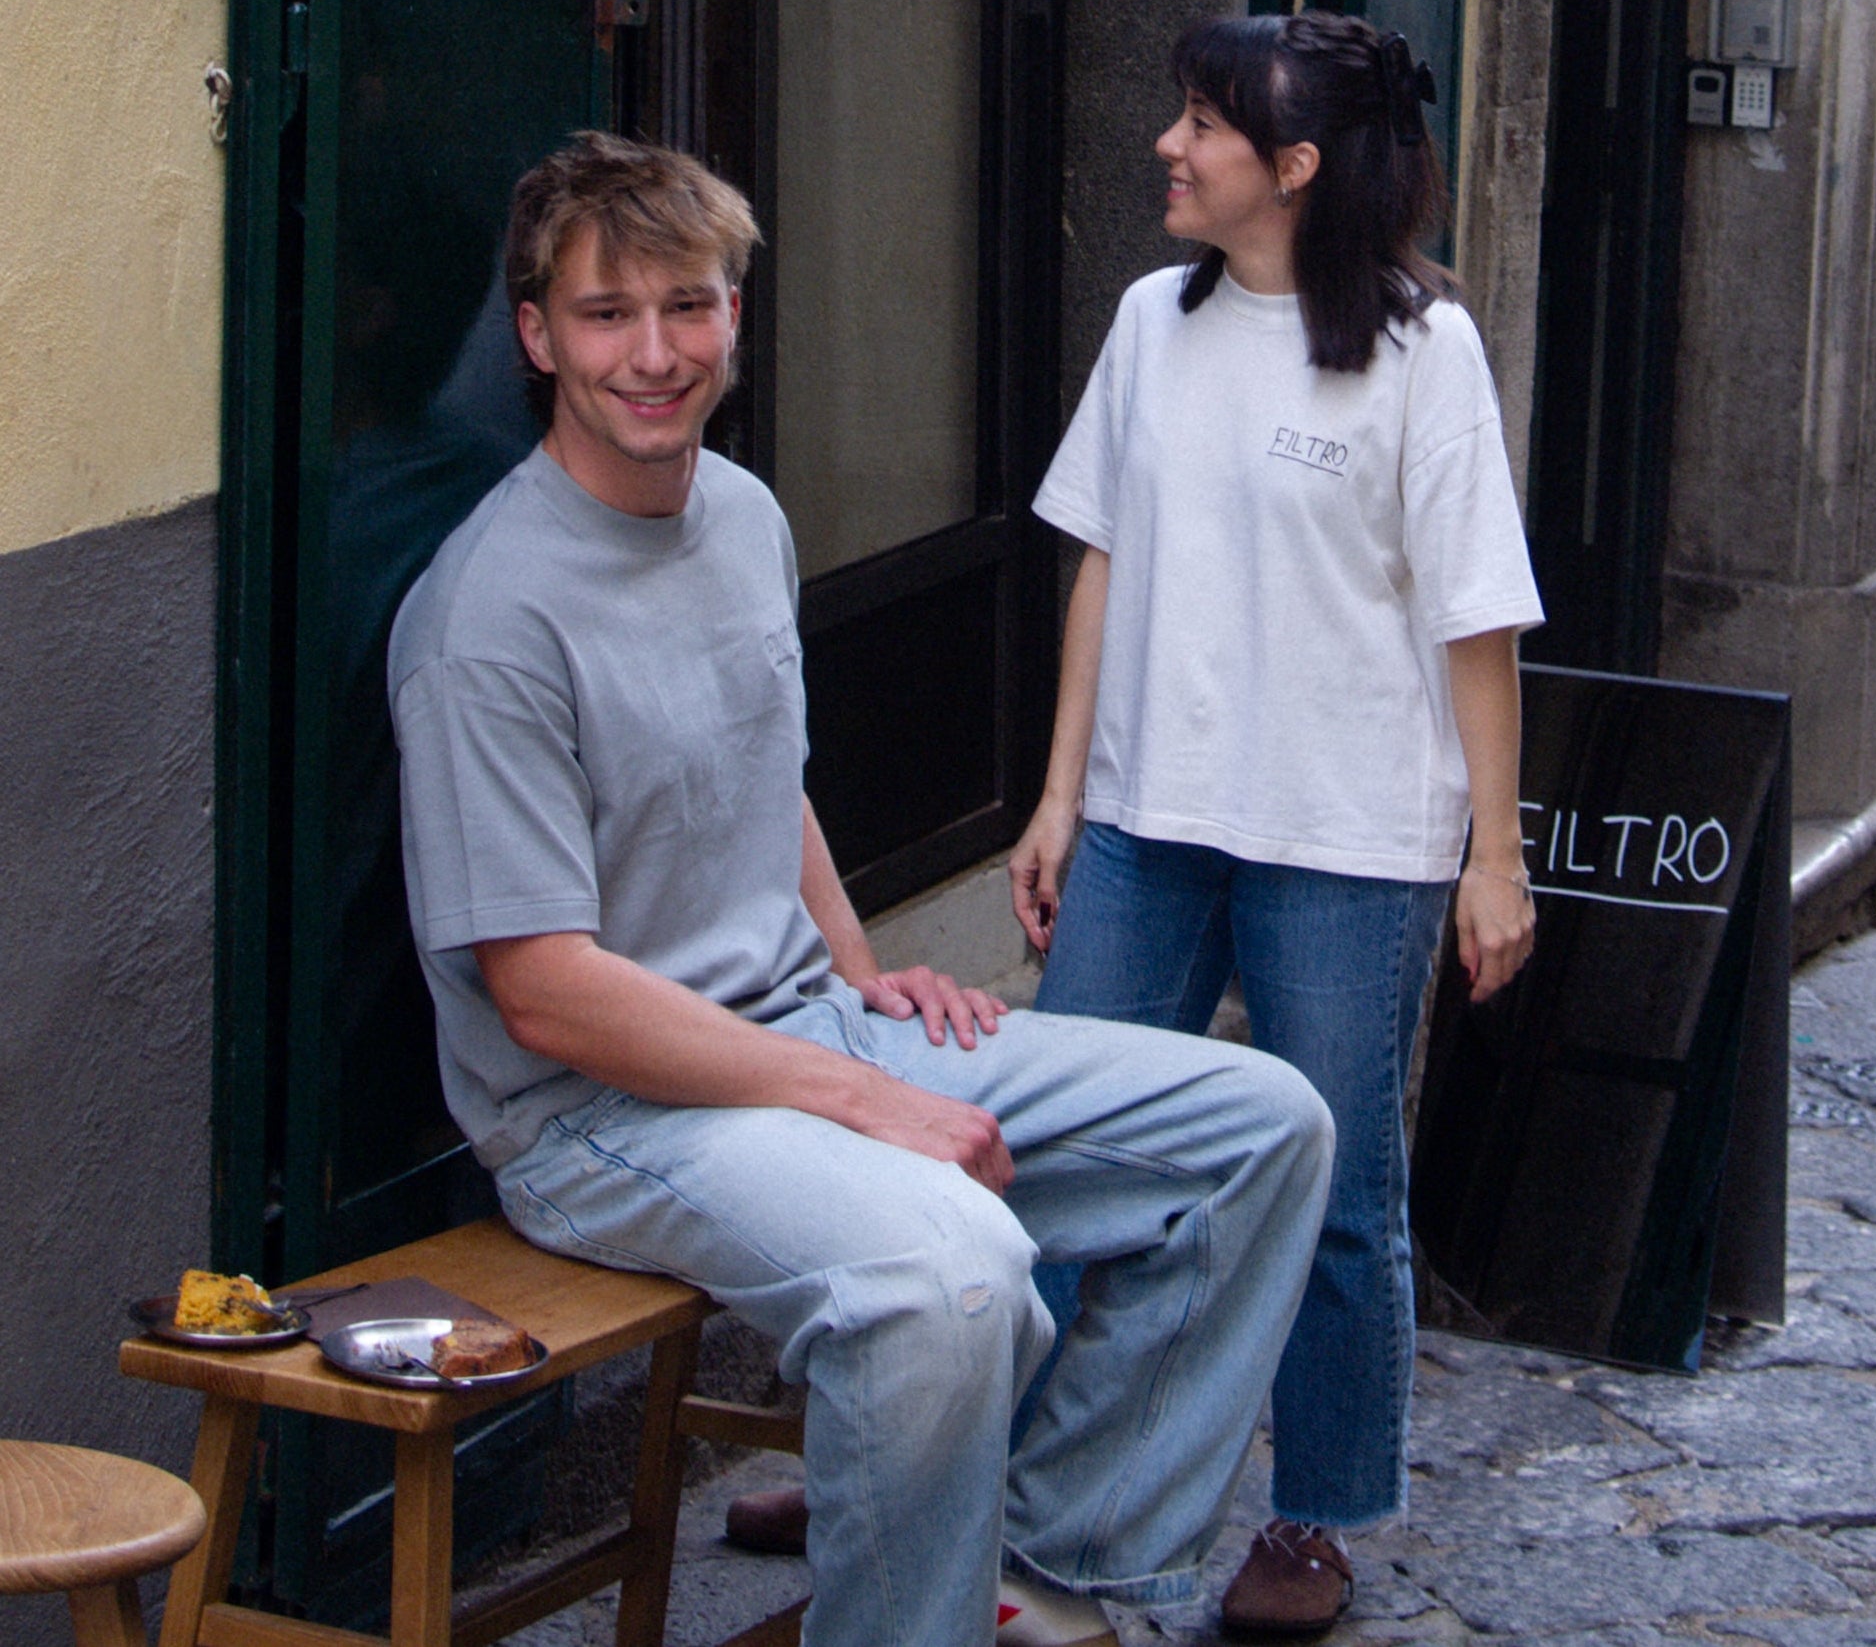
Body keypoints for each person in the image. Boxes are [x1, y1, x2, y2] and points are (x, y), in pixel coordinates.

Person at [387, 131, 1334, 1647]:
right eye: (608, 314)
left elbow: (767, 770)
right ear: (537, 334)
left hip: (807, 1029)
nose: (655, 353)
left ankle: (1044, 1574)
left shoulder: (743, 516)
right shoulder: (488, 619)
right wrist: (858, 1098)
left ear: (735, 315)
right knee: (948, 1278)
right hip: (599, 1115)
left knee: (1260, 1127)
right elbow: (545, 990)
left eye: (688, 306)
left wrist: (855, 961)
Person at [1007, 14, 1544, 1642]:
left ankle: (1314, 1509)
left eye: (1203, 123)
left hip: (1350, 836)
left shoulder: (1418, 351)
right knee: (1035, 1151)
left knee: (1337, 1186)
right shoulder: (1146, 323)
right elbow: (1098, 554)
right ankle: (967, 1451)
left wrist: (1493, 850)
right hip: (1146, 813)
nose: (1169, 145)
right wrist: (1054, 793)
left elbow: (1474, 620)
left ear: (1295, 167)